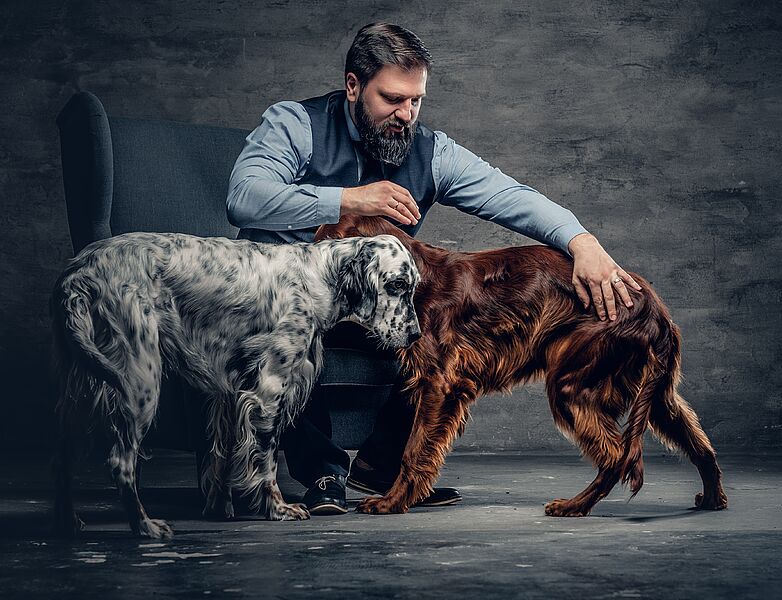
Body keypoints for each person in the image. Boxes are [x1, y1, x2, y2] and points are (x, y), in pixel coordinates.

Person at [226, 22, 642, 515]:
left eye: (416, 101)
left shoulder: (431, 151)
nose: (406, 114)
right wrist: (348, 200)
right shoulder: (295, 124)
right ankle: (322, 474)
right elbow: (244, 198)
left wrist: (582, 240)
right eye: (392, 99)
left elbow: (509, 196)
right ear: (354, 86)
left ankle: (384, 469)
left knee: (441, 333)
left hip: (369, 310)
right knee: (294, 328)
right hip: (290, 301)